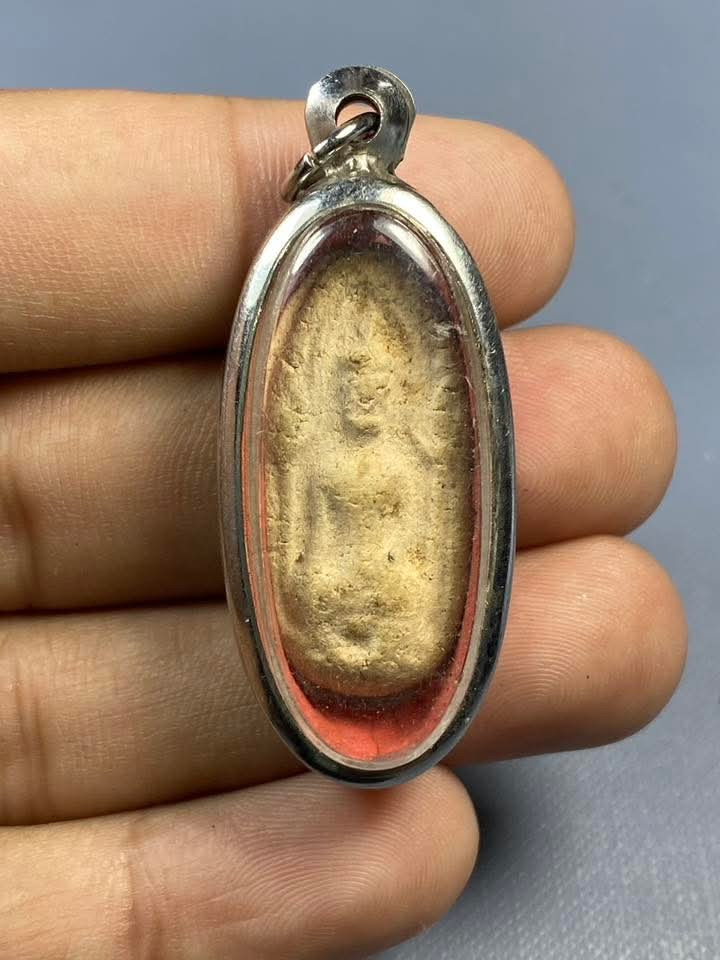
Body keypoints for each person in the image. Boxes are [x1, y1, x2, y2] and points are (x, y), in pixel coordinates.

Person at [0, 90, 686, 959]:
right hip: (328, 605)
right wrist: (317, 580)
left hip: (396, 605)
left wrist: (387, 583)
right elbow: (296, 548)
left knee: (408, 604)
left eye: (377, 380)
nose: (362, 393)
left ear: (400, 385)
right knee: (321, 589)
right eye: (347, 379)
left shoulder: (410, 457)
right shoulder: (315, 460)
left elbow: (429, 560)